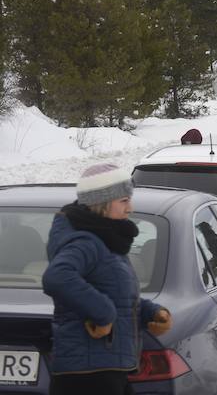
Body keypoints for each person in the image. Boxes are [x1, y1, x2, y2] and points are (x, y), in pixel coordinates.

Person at [42, 164, 172, 394]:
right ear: (101, 203)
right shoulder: (86, 242)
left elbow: (115, 294)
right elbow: (57, 277)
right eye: (123, 201)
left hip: (106, 368)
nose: (130, 208)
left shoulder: (106, 241)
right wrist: (103, 313)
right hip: (87, 375)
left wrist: (149, 311)